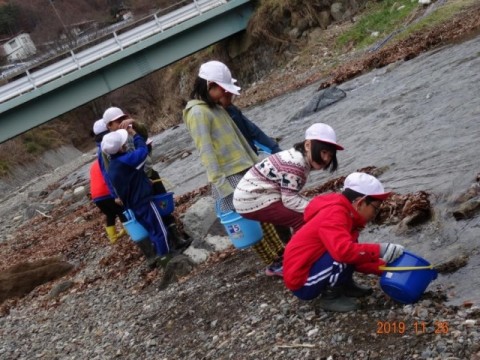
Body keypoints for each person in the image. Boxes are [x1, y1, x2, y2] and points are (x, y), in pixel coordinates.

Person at [183, 60, 286, 273]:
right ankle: (274, 263)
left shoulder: (217, 108)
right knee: (251, 222)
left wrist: (256, 164)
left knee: (264, 215)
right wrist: (220, 184)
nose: (226, 96)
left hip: (245, 169)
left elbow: (240, 138)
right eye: (223, 90)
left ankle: (284, 255)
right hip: (229, 177)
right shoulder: (197, 113)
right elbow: (206, 151)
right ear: (210, 85)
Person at [283, 172, 405, 312]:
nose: (375, 214)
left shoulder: (348, 216)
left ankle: (345, 286)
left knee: (353, 251)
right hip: (302, 282)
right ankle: (331, 297)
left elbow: (357, 258)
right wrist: (380, 249)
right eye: (375, 208)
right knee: (344, 252)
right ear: (360, 203)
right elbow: (343, 253)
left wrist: (386, 268)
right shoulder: (335, 214)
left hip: (311, 269)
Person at [102, 107, 191, 253]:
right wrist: (115, 194)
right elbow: (108, 173)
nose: (121, 122)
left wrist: (134, 124)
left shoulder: (131, 130)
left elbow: (144, 134)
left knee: (163, 206)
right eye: (117, 121)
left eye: (122, 118)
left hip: (149, 175)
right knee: (150, 216)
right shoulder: (109, 145)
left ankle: (176, 238)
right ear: (109, 126)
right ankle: (165, 247)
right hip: (135, 185)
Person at [233, 122, 343, 234]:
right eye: (323, 152)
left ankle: (290, 247)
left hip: (259, 194)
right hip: (251, 198)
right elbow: (290, 200)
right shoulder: (296, 164)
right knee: (303, 219)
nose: (326, 159)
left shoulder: (297, 156)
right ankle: (300, 250)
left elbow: (289, 195)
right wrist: (317, 208)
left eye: (330, 155)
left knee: (292, 215)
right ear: (308, 145)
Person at [101, 128, 171, 267]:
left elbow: (130, 180)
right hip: (143, 201)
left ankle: (160, 255)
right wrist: (135, 134)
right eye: (123, 143)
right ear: (121, 148)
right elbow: (142, 151)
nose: (126, 144)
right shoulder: (126, 160)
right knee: (159, 228)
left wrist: (145, 182)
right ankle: (166, 257)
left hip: (132, 205)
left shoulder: (113, 167)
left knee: (151, 230)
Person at [89, 119, 127, 244]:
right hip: (106, 193)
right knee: (121, 211)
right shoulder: (106, 159)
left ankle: (113, 237)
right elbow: (109, 176)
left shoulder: (94, 165)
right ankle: (128, 229)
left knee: (110, 215)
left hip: (96, 197)